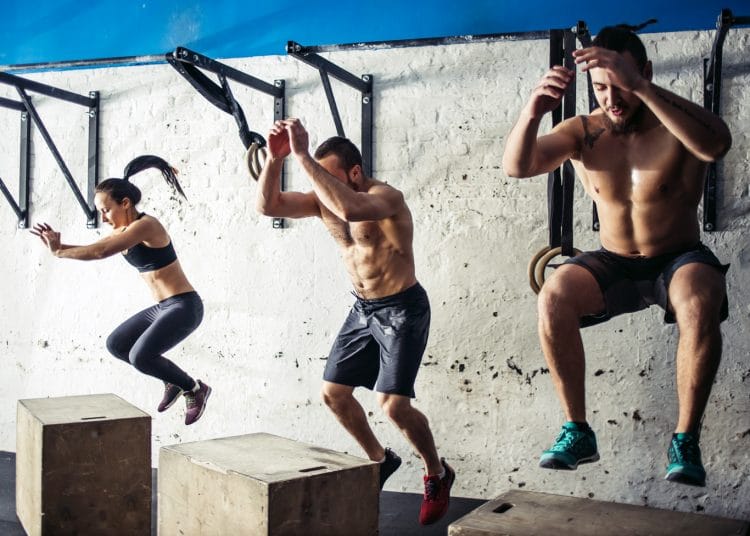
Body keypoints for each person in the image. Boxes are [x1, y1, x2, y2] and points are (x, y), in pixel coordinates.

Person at [502, 25, 732, 487]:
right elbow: (518, 166)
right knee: (552, 295)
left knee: (701, 298)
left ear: (643, 72)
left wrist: (643, 89)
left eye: (621, 85)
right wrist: (531, 114)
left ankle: (686, 440)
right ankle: (577, 431)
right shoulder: (584, 132)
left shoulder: (677, 122)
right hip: (614, 261)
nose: (612, 99)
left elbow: (716, 144)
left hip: (677, 258)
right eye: (601, 88)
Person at [255, 118, 455, 525]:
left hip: (403, 309)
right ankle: (380, 461)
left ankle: (437, 472)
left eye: (330, 177)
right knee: (333, 394)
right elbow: (268, 206)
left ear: (355, 173)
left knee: (394, 406)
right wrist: (276, 161)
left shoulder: (385, 197)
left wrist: (302, 155)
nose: (321, 187)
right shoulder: (321, 201)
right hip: (362, 310)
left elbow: (350, 207)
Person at [31, 155, 211, 426]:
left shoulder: (146, 226)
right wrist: (59, 246)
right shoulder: (124, 230)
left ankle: (194, 389)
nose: (103, 217)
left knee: (140, 356)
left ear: (125, 203)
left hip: (184, 307)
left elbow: (101, 252)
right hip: (163, 308)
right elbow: (95, 247)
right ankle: (170, 380)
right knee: (117, 344)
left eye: (106, 210)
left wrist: (59, 253)